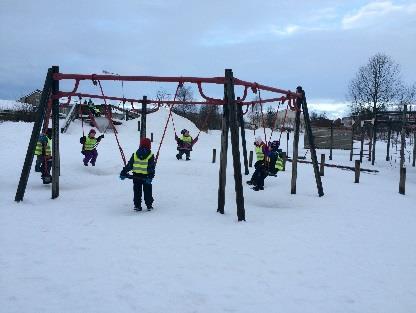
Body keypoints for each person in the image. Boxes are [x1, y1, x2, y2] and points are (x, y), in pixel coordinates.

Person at [120, 137, 155, 211]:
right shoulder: (150, 155)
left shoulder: (135, 154)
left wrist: (123, 172)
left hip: (136, 176)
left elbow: (130, 165)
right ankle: (149, 205)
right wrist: (150, 177)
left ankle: (137, 205)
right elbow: (151, 167)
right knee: (147, 191)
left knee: (137, 191)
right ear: (149, 145)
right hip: (146, 177)